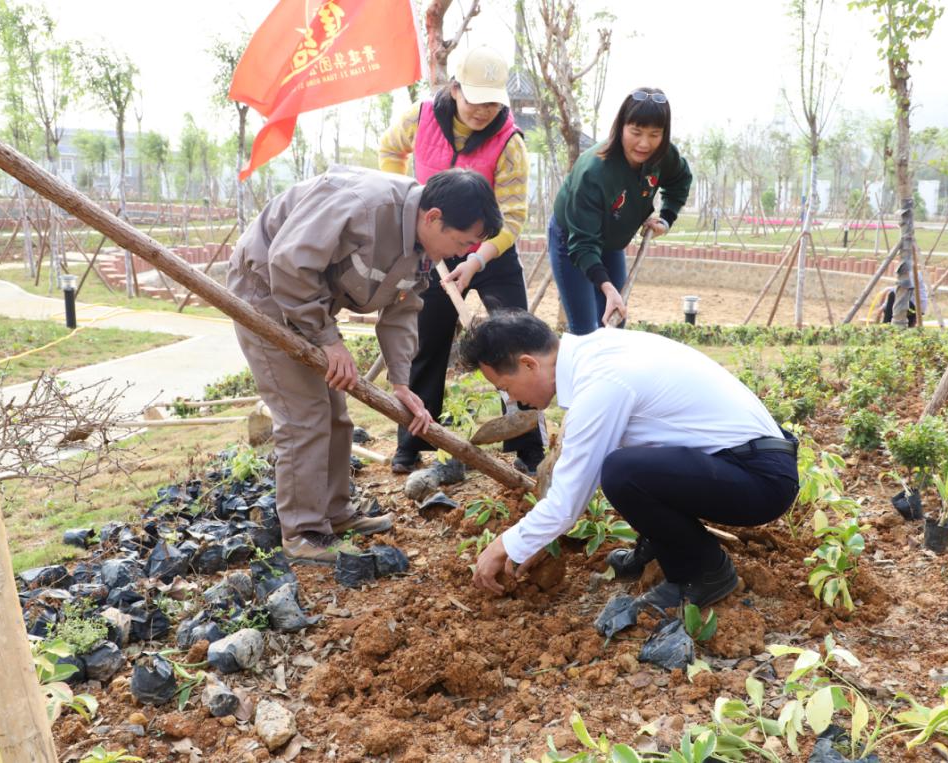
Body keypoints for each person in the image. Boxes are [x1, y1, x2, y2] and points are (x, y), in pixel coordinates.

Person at [227, 166, 502, 565]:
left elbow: (403, 311)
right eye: (462, 242)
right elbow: (288, 262)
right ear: (433, 218)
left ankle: (334, 514)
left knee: (337, 415)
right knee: (305, 414)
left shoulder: (423, 246)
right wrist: (327, 338)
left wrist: (402, 382)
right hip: (265, 288)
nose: (462, 253)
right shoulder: (363, 207)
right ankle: (303, 533)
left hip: (309, 301)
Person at [458, 310, 799, 612]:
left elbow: (568, 502)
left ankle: (703, 572)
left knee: (623, 473)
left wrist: (505, 545)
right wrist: (532, 540)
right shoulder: (598, 350)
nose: (510, 399)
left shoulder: (601, 384)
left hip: (760, 481)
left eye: (505, 386)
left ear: (529, 364)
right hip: (747, 460)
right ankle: (664, 545)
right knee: (625, 464)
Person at [379, 44, 545, 476]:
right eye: (475, 98)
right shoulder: (420, 118)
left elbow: (512, 218)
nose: (483, 110)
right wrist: (407, 197)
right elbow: (389, 149)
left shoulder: (510, 142)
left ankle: (526, 443)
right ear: (454, 89)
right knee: (426, 340)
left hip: (492, 252)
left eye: (493, 101)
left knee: (514, 339)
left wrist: (476, 260)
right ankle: (413, 441)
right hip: (435, 246)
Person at [548, 87, 692, 334]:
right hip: (573, 240)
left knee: (616, 320)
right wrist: (607, 287)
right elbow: (583, 244)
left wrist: (667, 219)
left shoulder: (664, 156)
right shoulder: (594, 171)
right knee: (586, 330)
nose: (644, 143)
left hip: (611, 242)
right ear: (621, 127)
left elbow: (680, 181)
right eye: (636, 132)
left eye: (655, 134)